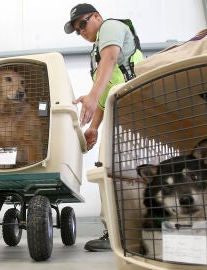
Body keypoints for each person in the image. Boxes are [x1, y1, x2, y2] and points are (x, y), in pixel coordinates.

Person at [64, 3, 144, 251]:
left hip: (137, 106)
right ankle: (119, 232)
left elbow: (110, 60)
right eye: (77, 30)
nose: (81, 32)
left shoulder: (110, 27)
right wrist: (95, 127)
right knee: (110, 169)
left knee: (120, 170)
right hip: (121, 112)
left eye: (83, 24)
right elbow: (106, 91)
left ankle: (122, 234)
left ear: (97, 17)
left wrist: (90, 94)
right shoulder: (95, 52)